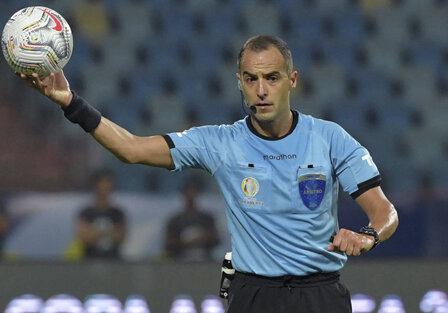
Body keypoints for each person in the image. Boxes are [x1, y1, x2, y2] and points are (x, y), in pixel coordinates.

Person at [18, 35, 398, 313]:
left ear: (292, 80)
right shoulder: (220, 143)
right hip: (254, 297)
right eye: (251, 79)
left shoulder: (329, 138)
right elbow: (131, 149)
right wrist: (71, 104)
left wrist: (367, 236)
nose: (261, 90)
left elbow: (385, 213)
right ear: (239, 83)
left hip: (321, 297)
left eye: (272, 78)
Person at [164, 177, 220, 261]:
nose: (191, 195)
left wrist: (201, 238)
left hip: (204, 261)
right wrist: (185, 243)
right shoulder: (176, 220)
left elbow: (215, 239)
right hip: (181, 262)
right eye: (188, 192)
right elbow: (168, 243)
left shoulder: (206, 218)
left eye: (193, 192)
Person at [75, 169, 126, 259]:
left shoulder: (117, 213)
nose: (105, 189)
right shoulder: (86, 212)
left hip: (114, 261)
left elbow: (121, 236)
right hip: (90, 260)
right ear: (95, 187)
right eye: (102, 185)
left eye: (107, 186)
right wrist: (109, 233)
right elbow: (84, 238)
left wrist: (95, 233)